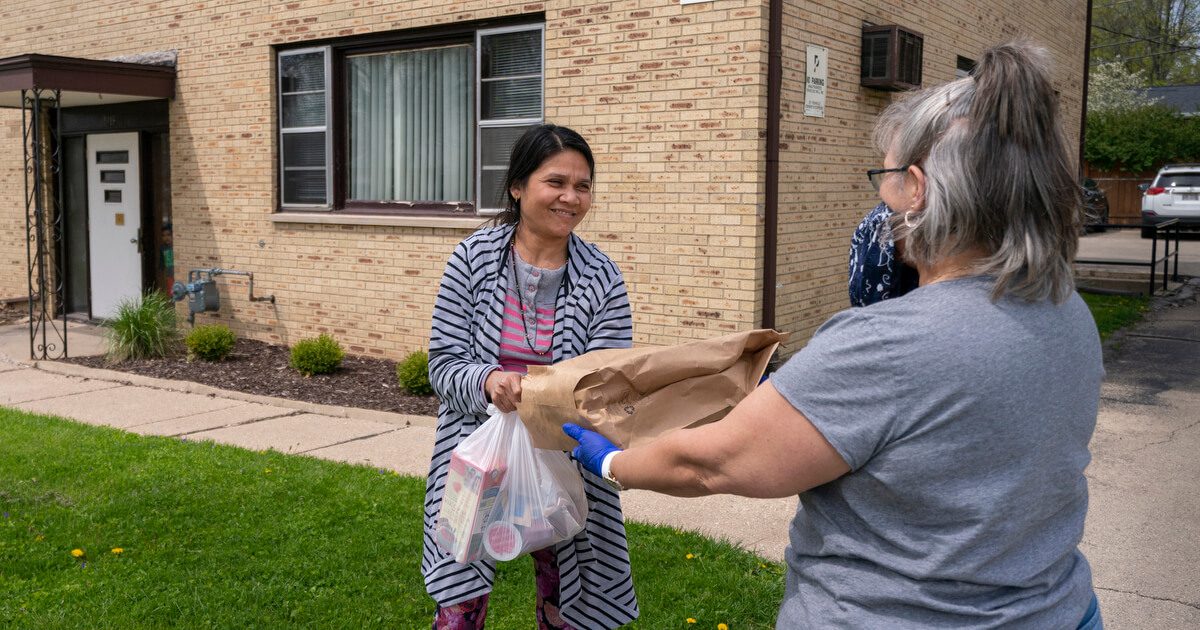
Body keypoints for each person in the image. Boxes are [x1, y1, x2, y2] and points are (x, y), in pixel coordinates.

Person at [564, 42, 1105, 629]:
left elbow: (714, 463)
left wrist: (616, 463)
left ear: (918, 189)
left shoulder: (889, 344)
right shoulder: (1063, 309)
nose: (879, 203)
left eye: (886, 178)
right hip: (1057, 611)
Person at [422, 124, 638, 629]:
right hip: (478, 454)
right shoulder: (472, 260)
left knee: (571, 596)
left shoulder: (602, 277)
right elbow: (443, 363)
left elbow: (609, 383)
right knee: (458, 601)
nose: (571, 197)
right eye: (555, 182)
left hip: (568, 457)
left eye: (582, 186)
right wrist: (488, 382)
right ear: (518, 186)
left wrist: (555, 399)